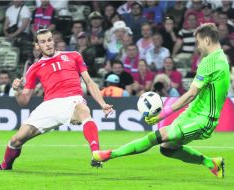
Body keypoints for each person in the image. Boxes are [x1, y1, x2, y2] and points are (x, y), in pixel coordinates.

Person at [93, 23, 230, 178]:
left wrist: (163, 114)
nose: (197, 47)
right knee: (167, 148)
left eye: (198, 42)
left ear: (206, 40)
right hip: (193, 114)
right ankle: (212, 163)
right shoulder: (222, 58)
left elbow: (191, 94)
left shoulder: (210, 61)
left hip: (203, 119)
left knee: (157, 136)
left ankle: (110, 154)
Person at [0, 29, 113, 170]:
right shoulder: (34, 68)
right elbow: (24, 101)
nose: (48, 44)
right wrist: (17, 91)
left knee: (84, 110)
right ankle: (4, 166)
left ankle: (96, 153)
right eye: (43, 42)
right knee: (16, 140)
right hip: (48, 106)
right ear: (37, 46)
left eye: (49, 40)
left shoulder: (74, 56)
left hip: (72, 100)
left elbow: (89, 82)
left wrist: (102, 103)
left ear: (53, 40)